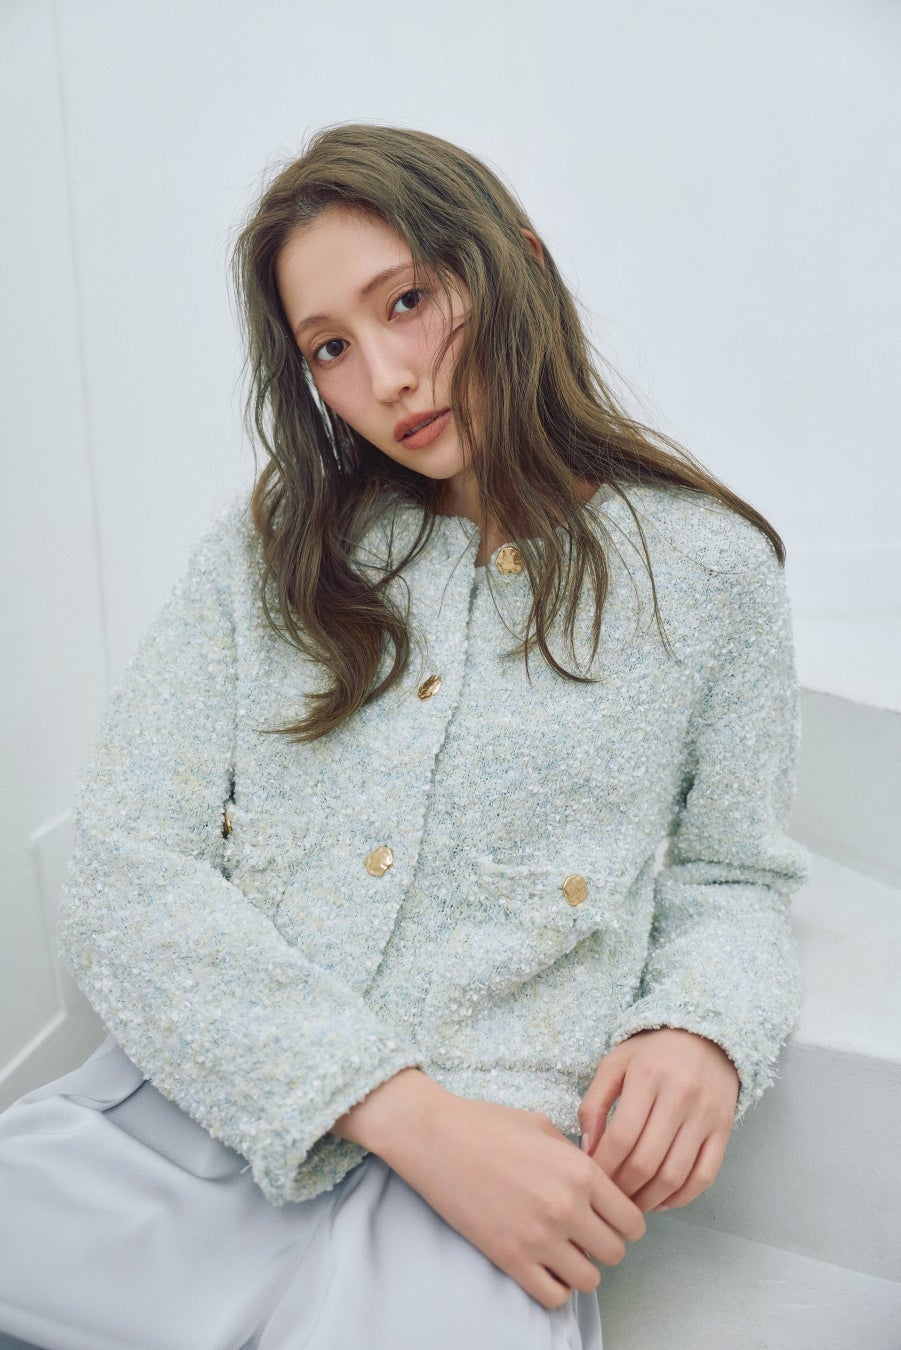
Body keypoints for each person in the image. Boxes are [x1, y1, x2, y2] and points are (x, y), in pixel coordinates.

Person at [0, 124, 810, 1350]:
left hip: (497, 1191)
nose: (383, 376)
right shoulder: (269, 552)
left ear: (516, 262)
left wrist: (699, 1027)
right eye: (329, 346)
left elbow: (734, 874)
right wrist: (400, 1111)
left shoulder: (710, 574)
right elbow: (124, 864)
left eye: (408, 302)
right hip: (191, 1119)